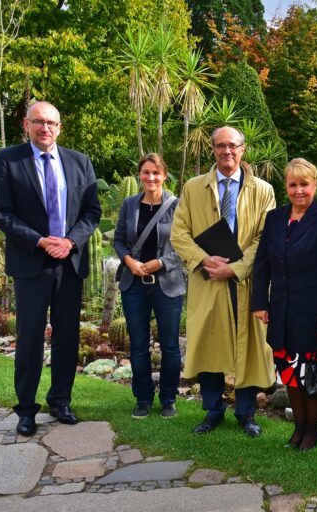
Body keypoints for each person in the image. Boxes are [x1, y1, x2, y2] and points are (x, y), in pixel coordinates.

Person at [0, 101, 102, 436]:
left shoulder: (79, 162)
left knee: (67, 337)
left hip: (69, 264)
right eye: (38, 122)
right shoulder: (8, 160)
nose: (45, 128)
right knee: (29, 339)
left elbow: (92, 212)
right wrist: (40, 241)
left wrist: (70, 242)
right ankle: (26, 410)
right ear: (26, 125)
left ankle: (60, 401)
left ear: (60, 127)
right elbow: (3, 213)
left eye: (51, 123)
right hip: (32, 264)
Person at [171, 126, 276, 437]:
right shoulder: (193, 188)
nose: (226, 151)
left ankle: (246, 414)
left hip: (245, 281)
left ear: (243, 150)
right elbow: (179, 233)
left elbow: (264, 237)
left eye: (232, 146)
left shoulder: (263, 190)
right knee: (211, 344)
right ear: (212, 150)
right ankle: (213, 411)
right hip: (208, 278)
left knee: (249, 346)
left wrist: (238, 267)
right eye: (220, 146)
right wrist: (204, 259)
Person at [251, 158, 317, 451]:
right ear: (286, 187)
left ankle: (312, 431)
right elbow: (262, 263)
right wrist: (260, 303)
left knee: (310, 372)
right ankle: (298, 428)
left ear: (314, 185)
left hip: (313, 313)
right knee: (289, 372)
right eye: (293, 184)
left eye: (304, 184)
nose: (299, 190)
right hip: (281, 311)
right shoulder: (275, 219)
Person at [113, 153, 186, 419]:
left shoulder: (178, 206)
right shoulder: (129, 205)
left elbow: (184, 246)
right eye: (146, 172)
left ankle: (168, 398)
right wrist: (130, 261)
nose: (151, 177)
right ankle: (143, 398)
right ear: (140, 176)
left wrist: (160, 263)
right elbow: (119, 239)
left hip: (167, 284)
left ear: (164, 175)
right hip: (133, 283)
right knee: (139, 345)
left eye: (156, 172)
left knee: (169, 345)